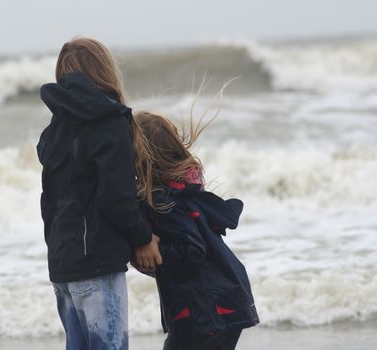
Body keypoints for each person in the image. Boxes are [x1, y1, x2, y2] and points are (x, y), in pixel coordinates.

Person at [36, 37, 163, 350]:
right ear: (105, 71)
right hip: (97, 261)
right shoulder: (110, 121)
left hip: (62, 263)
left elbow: (48, 203)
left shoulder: (54, 129)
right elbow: (115, 198)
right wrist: (143, 238)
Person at [132, 111, 259, 350]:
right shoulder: (183, 191)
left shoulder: (165, 202)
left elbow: (191, 250)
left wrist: (155, 251)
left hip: (203, 310)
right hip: (225, 300)